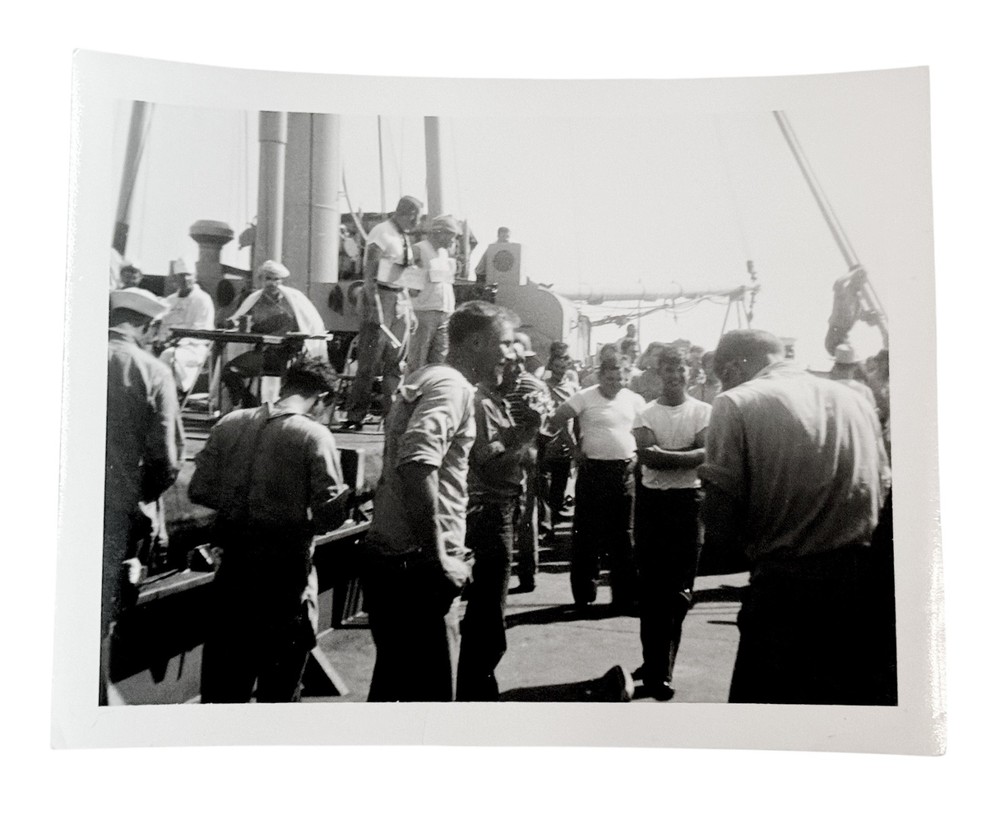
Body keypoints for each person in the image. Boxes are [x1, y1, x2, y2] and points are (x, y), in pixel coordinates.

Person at [698, 329, 893, 705]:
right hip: (859, 590)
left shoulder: (736, 403)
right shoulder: (854, 400)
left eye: (722, 372)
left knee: (767, 720)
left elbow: (721, 525)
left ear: (733, 366)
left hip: (785, 592)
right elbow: (881, 487)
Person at [363, 301, 515, 702]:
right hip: (418, 571)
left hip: (393, 557)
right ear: (479, 342)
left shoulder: (427, 377)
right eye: (505, 343)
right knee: (432, 705)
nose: (510, 353)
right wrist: (438, 557)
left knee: (391, 690)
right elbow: (417, 464)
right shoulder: (453, 387)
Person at [190, 358, 349, 703]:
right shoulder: (313, 435)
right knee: (278, 695)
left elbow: (198, 489)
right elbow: (329, 515)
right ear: (321, 397)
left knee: (221, 695)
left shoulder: (230, 423)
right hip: (284, 586)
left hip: (232, 577)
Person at [103, 287, 185, 704]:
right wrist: (138, 502)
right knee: (101, 619)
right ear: (147, 325)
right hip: (114, 517)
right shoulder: (152, 371)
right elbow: (166, 461)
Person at [456, 334, 539, 700]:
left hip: (504, 505)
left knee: (489, 607)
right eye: (508, 363)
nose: (517, 369)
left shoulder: (500, 403)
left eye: (521, 363)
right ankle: (477, 688)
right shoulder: (482, 403)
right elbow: (487, 461)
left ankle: (477, 681)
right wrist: (525, 438)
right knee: (489, 608)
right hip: (490, 510)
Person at [631, 347, 712, 700]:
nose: (674, 376)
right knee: (652, 593)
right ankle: (657, 669)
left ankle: (659, 666)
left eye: (680, 369)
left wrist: (667, 456)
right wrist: (687, 457)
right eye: (667, 370)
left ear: (690, 372)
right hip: (653, 507)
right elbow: (649, 457)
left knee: (679, 594)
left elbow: (707, 454)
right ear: (657, 373)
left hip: (688, 507)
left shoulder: (703, 411)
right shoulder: (644, 411)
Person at [550, 353, 645, 610]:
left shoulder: (634, 400)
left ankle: (624, 596)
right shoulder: (585, 396)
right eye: (610, 378)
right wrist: (574, 449)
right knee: (586, 535)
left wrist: (637, 458)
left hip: (624, 471)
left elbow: (644, 432)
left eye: (620, 378)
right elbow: (558, 417)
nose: (615, 383)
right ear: (600, 376)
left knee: (623, 536)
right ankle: (584, 595)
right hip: (593, 470)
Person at [342, 196, 422, 429]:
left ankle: (392, 415)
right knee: (368, 363)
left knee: (396, 362)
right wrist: (375, 307)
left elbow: (402, 276)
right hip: (380, 297)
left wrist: (410, 310)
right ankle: (355, 415)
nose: (416, 223)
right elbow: (369, 277)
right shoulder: (381, 233)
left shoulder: (403, 237)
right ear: (405, 213)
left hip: (400, 299)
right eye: (414, 217)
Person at [222, 260, 330, 408]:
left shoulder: (294, 300)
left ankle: (254, 406)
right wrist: (233, 323)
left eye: (276, 279)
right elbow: (241, 321)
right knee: (229, 372)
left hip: (286, 354)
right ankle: (249, 404)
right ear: (261, 280)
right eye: (268, 279)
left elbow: (308, 325)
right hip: (262, 352)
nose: (272, 283)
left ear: (282, 281)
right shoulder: (253, 300)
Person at [500, 334, 553, 594]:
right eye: (514, 361)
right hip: (499, 457)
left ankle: (527, 573)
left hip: (523, 458)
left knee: (525, 517)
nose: (519, 367)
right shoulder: (495, 385)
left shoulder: (533, 386)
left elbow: (543, 427)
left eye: (522, 361)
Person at [407, 214, 460, 371]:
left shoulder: (444, 254)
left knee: (440, 359)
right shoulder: (418, 250)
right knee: (418, 358)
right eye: (451, 235)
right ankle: (412, 392)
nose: (453, 240)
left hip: (444, 313)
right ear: (439, 233)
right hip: (424, 313)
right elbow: (409, 286)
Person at [155, 258, 215, 394]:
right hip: (168, 344)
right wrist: (160, 340)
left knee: (168, 356)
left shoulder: (203, 299)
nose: (185, 279)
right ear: (175, 278)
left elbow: (202, 331)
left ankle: (170, 394)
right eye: (181, 275)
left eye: (189, 275)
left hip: (194, 347)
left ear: (195, 277)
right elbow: (162, 326)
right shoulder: (169, 300)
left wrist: (176, 342)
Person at [539, 342, 579, 531]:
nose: (561, 369)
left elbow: (577, 419)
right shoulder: (543, 386)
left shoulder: (572, 388)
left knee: (559, 489)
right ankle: (545, 525)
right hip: (547, 445)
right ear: (551, 365)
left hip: (565, 447)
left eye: (564, 365)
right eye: (557, 365)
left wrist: (575, 444)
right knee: (544, 489)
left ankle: (553, 522)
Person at [829, 342, 878, 410]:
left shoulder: (827, 389)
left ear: (835, 366)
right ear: (854, 367)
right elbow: (872, 415)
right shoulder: (865, 390)